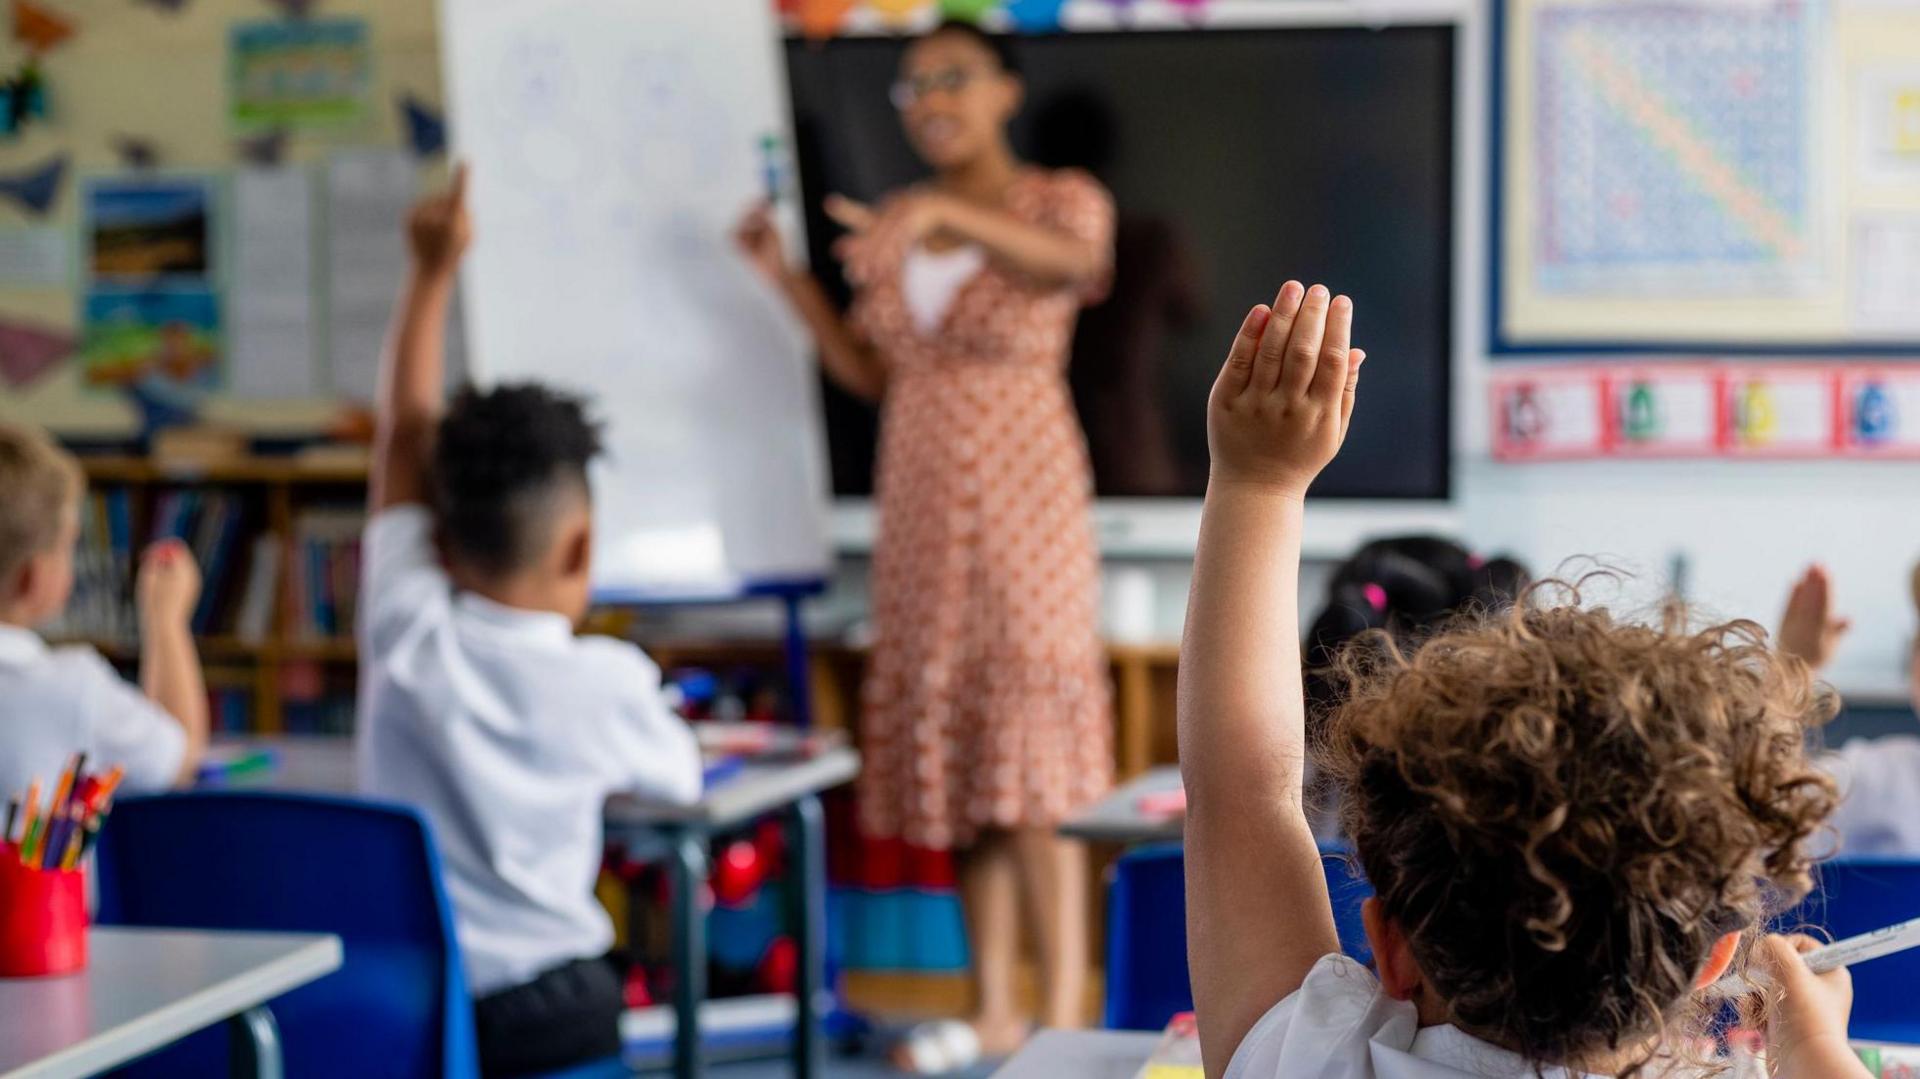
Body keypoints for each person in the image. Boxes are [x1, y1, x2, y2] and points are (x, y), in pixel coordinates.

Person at [1180, 280, 1864, 1077]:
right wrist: (1816, 1046)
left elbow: (1239, 787)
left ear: (1390, 949)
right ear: (1714, 964)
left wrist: (1257, 482)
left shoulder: (1311, 1062)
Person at [737, 21, 1115, 1068]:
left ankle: (1071, 1011)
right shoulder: (895, 229)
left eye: (951, 77)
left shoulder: (1056, 198)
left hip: (1021, 490)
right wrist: (787, 279)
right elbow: (872, 373)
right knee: (970, 769)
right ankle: (991, 1006)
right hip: (919, 493)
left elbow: (1079, 264)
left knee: (1034, 765)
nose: (930, 99)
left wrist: (940, 212)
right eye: (912, 88)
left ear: (1004, 89)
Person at [356, 166, 702, 1078]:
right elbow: (681, 782)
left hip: (406, 1005)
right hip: (547, 1017)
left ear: (436, 532)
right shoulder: (607, 681)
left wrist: (430, 274)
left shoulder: (405, 629)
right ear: (580, 547)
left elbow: (402, 437)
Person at [0, 421, 207, 799]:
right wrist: (166, 622)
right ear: (32, 578)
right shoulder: (74, 688)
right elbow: (181, 757)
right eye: (68, 546)